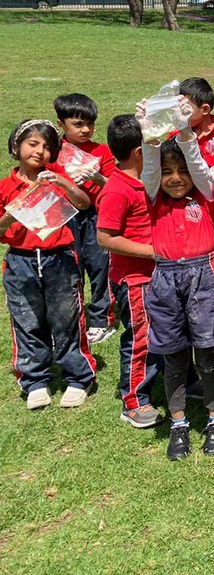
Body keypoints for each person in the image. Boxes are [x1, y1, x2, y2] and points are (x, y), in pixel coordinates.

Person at [137, 102, 214, 458]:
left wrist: (186, 131)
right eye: (168, 171)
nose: (176, 178)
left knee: (207, 356)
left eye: (182, 171)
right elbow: (149, 170)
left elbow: (200, 168)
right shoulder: (154, 198)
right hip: (165, 280)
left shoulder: (205, 196)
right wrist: (149, 134)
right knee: (173, 358)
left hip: (202, 278)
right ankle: (179, 425)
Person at [0, 119, 95, 410]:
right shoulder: (6, 187)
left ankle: (78, 377)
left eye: (47, 147)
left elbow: (84, 204)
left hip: (60, 258)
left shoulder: (56, 176)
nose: (40, 152)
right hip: (21, 262)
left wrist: (65, 183)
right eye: (32, 144)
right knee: (27, 320)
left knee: (66, 318)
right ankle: (35, 380)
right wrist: (12, 216)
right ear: (16, 147)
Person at [95, 114, 163, 428]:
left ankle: (181, 382)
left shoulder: (146, 180)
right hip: (135, 279)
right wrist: (152, 251)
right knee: (141, 337)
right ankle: (134, 400)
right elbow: (105, 237)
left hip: (158, 274)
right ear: (139, 152)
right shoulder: (116, 190)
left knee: (168, 330)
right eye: (154, 145)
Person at [54, 93, 116, 345]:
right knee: (69, 269)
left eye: (90, 124)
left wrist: (97, 178)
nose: (86, 130)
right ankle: (72, 317)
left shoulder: (101, 151)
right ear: (61, 125)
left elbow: (115, 186)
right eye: (78, 124)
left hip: (94, 217)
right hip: (63, 216)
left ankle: (101, 320)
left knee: (100, 266)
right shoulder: (53, 150)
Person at [176, 78, 214, 275]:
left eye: (185, 108)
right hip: (186, 198)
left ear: (204, 109)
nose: (180, 113)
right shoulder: (176, 134)